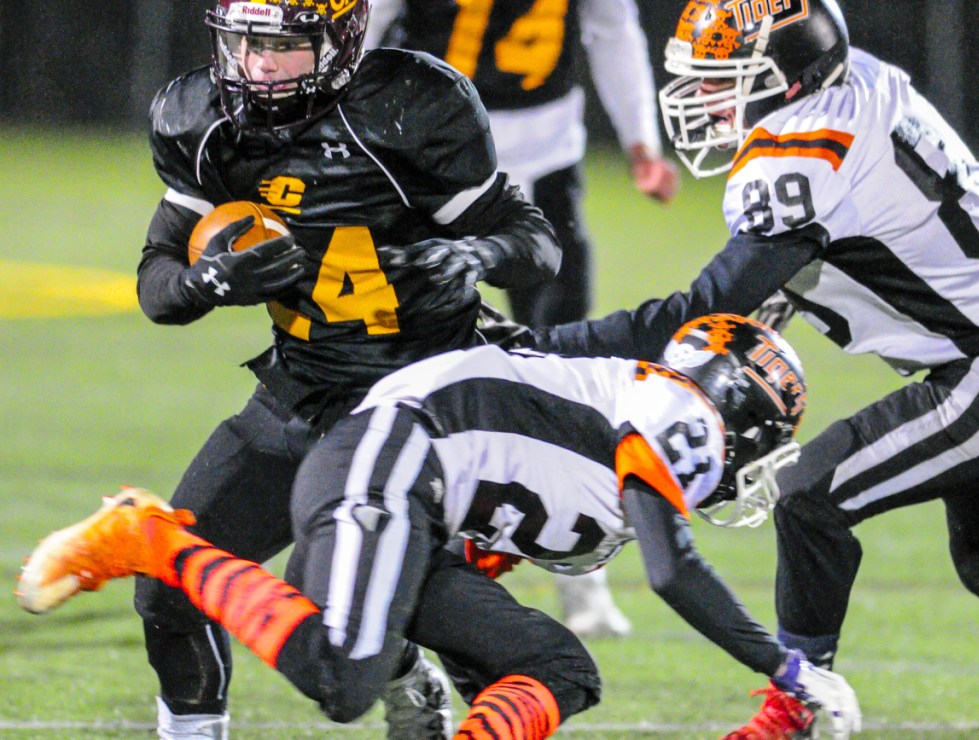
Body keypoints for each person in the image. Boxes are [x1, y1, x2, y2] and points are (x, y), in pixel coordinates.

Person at [520, 0, 979, 739]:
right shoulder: (859, 84)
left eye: (724, 83)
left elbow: (696, 313)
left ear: (789, 78)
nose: (705, 102)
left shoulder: (803, 157)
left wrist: (539, 346)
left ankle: (792, 710)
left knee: (812, 496)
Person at [19, 314, 862, 740]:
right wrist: (785, 666)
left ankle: (368, 649)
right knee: (343, 680)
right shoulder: (680, 413)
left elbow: (470, 565)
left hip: (402, 504)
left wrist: (447, 668)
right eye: (768, 439)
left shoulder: (622, 424)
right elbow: (673, 572)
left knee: (559, 666)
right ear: (736, 412)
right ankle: (146, 538)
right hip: (384, 463)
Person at [133, 0, 561, 740]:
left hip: (417, 410)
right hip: (300, 394)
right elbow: (159, 286)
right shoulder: (202, 120)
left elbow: (536, 241)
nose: (258, 64)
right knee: (168, 583)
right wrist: (209, 282)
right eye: (244, 41)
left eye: (285, 45)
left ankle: (416, 671)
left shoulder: (409, 109)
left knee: (431, 631)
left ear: (339, 42)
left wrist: (476, 250)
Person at [357, 0, 679, 640]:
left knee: (572, 366)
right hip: (430, 154)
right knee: (404, 362)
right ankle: (387, 545)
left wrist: (640, 139)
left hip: (543, 153)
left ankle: (584, 574)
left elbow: (608, 18)